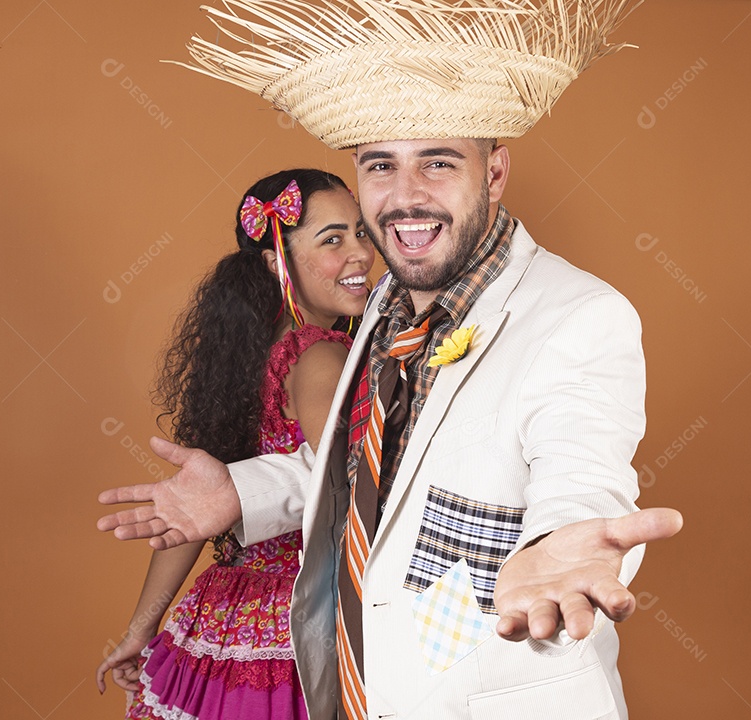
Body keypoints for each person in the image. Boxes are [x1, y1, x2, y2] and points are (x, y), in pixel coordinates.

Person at [100, 1, 683, 718]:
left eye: (438, 163)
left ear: (494, 173)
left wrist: (564, 545)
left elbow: (584, 477)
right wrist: (241, 495)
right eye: (381, 166)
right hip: (362, 687)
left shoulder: (578, 316)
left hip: (480, 694)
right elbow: (377, 466)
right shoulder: (385, 304)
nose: (405, 198)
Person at [95, 168, 375, 720]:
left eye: (362, 232)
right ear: (277, 261)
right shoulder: (320, 355)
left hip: (224, 613)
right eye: (332, 239)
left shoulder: (246, 358)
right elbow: (348, 489)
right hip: (297, 620)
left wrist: (140, 627)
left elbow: (193, 515)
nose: (361, 254)